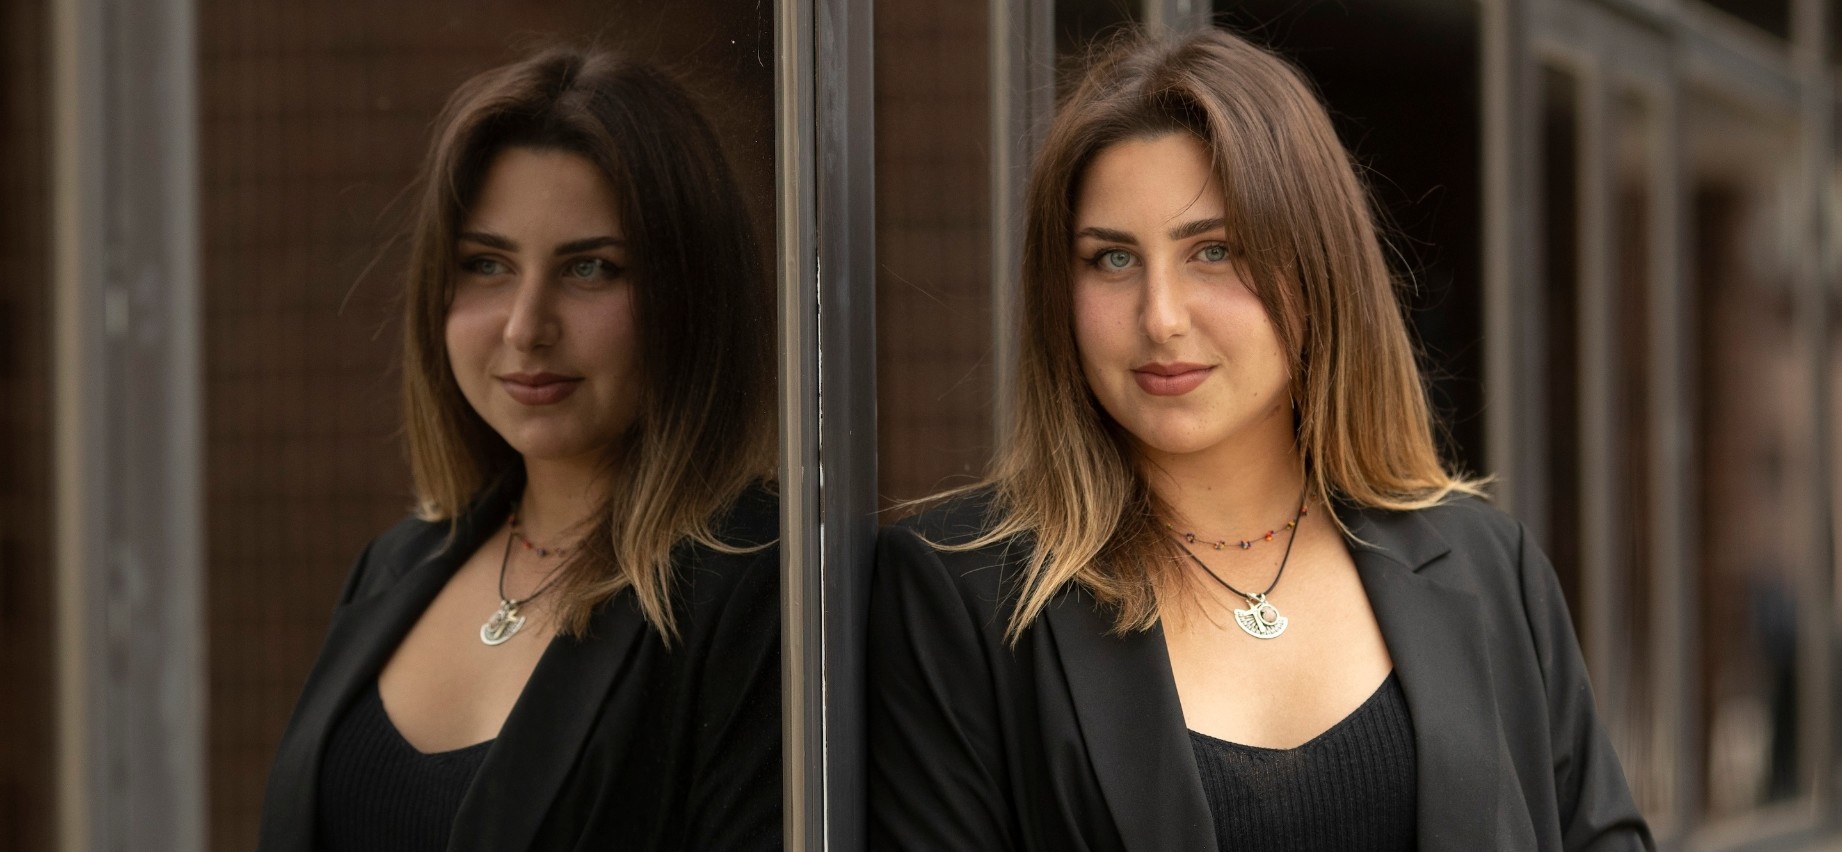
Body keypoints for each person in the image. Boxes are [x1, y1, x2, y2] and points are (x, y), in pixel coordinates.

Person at [868, 28, 1652, 852]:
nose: (1161, 316)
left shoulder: (1489, 565)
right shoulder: (960, 593)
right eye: (1112, 261)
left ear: (1317, 269)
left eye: (1215, 251)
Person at [258, 46, 780, 851]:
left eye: (591, 269)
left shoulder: (757, 588)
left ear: (692, 295)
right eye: (487, 265)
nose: (525, 327)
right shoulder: (398, 567)